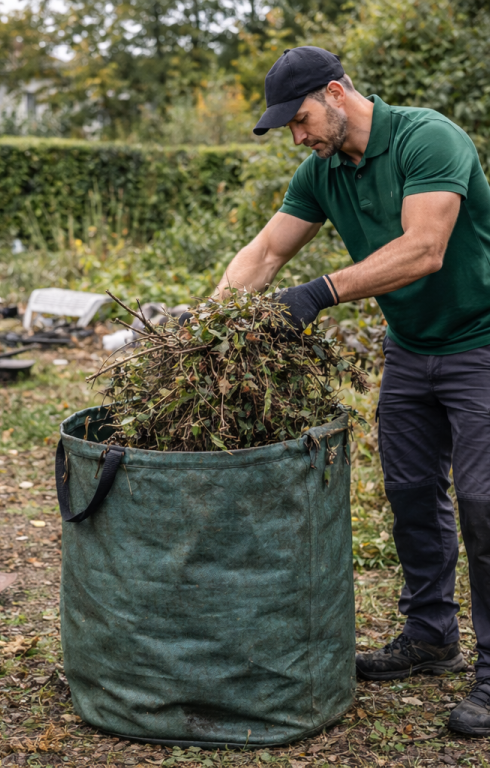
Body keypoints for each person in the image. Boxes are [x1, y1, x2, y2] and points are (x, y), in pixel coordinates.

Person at [215, 45, 490, 737]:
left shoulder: (428, 138)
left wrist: (320, 292)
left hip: (481, 343)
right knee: (410, 492)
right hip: (412, 350)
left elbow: (425, 247)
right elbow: (266, 252)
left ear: (336, 94)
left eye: (300, 119)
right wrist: (209, 324)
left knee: (485, 502)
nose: (297, 136)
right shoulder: (323, 170)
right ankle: (431, 636)